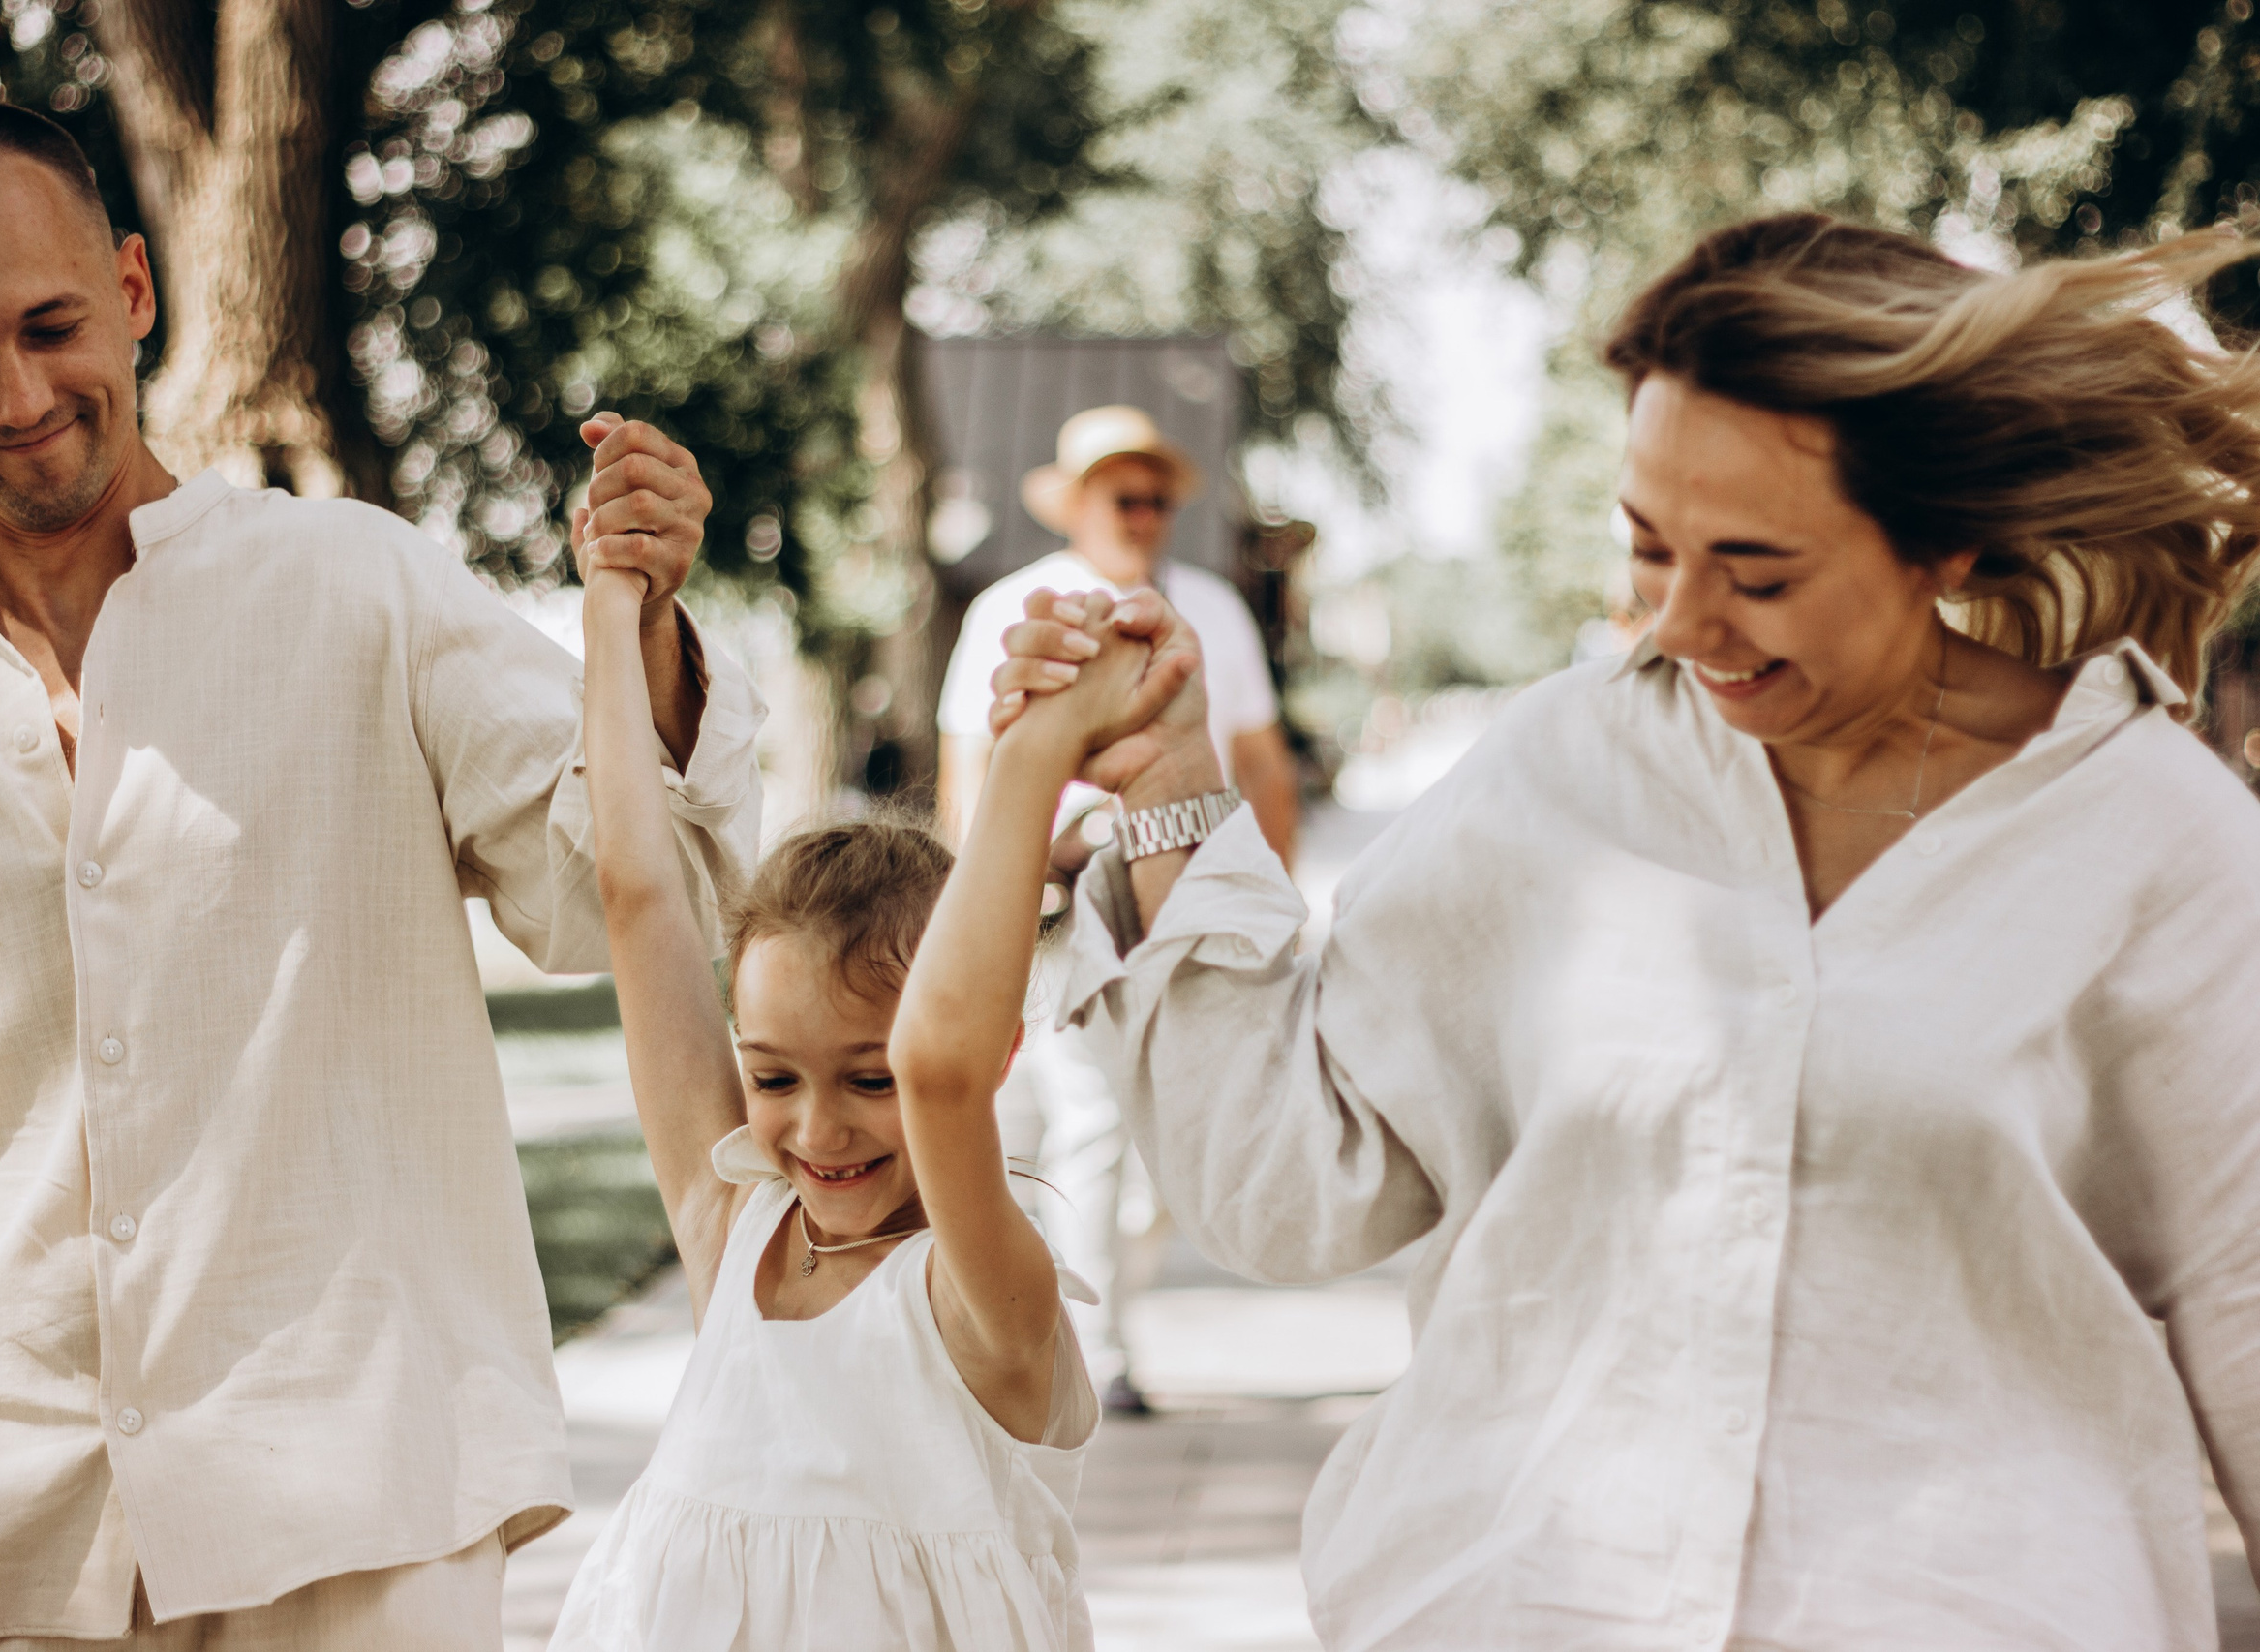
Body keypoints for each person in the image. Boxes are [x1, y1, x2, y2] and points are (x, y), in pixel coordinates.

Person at [991, 216, 2260, 1648]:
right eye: (1651, 547)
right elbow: (1287, 1183)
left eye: (1759, 571)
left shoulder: (2157, 838)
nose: (1684, 620)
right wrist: (1168, 786)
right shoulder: (1562, 768)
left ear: (1940, 538)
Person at [0, 105, 762, 1647]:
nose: (20, 394)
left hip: (359, 1486)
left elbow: (606, 896)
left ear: (135, 289)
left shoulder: (359, 586)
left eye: (52, 326)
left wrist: (642, 641)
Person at [545, 567, 1176, 1650]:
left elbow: (943, 1067)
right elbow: (638, 892)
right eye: (773, 1076)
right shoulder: (729, 1221)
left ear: (990, 1052)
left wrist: (1034, 748)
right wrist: (613, 604)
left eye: (870, 1077)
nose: (817, 1130)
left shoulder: (987, 1293)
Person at [935, 403, 1298, 1407]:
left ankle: (1092, 1321)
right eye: (1118, 494)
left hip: (1179, 895)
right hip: (1057, 901)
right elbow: (967, 781)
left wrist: (1274, 895)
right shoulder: (1018, 606)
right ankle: (1085, 1348)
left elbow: (1261, 764)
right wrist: (980, 915)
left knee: (1160, 1137)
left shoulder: (1213, 611)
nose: (1138, 513)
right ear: (1077, 502)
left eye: (1153, 497)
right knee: (1085, 1119)